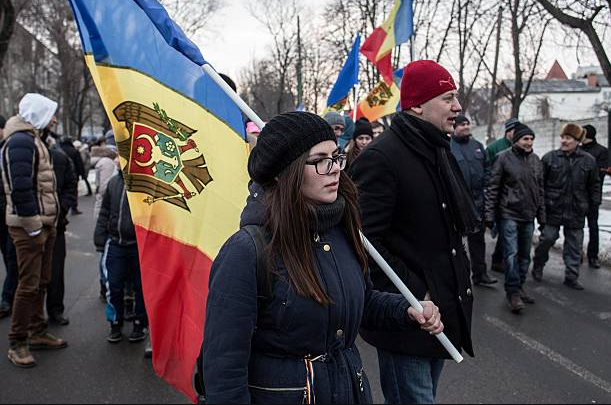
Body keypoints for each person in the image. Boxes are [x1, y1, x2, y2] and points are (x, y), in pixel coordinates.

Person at [202, 111, 444, 404]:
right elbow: (224, 373)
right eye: (319, 160)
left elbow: (362, 302)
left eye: (336, 156)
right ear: (284, 172)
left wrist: (406, 309)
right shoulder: (247, 251)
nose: (335, 169)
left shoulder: (343, 230)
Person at [350, 60, 476, 404]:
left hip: (441, 309)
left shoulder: (437, 149)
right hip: (409, 316)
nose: (457, 106)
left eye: (456, 97)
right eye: (448, 98)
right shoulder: (382, 157)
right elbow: (362, 242)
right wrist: (413, 295)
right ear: (418, 105)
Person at [1, 93, 68, 368]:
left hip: (43, 224)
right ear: (37, 113)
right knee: (27, 286)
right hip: (30, 227)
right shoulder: (20, 142)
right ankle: (17, 342)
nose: (53, 119)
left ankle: (37, 332)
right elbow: (20, 189)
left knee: (41, 282)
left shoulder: (32, 139)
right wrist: (33, 227)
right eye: (50, 113)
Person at [485, 123, 545, 313]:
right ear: (516, 140)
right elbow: (493, 188)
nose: (529, 142)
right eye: (525, 139)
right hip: (508, 214)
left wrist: (542, 215)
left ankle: (519, 286)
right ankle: (512, 293)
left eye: (531, 139)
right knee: (510, 255)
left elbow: (540, 190)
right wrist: (489, 215)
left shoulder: (536, 160)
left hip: (528, 215)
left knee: (524, 256)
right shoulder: (502, 158)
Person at [533, 124, 601, 290]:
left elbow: (594, 185)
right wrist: (540, 206)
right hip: (553, 208)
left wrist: (593, 204)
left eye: (569, 138)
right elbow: (540, 184)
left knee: (574, 246)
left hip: (577, 209)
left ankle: (572, 276)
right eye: (563, 137)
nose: (564, 141)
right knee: (547, 239)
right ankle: (538, 265)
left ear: (577, 141)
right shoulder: (550, 158)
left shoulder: (588, 161)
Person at [94, 163, 148, 344]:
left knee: (141, 288)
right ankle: (115, 322)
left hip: (139, 246)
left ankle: (140, 324)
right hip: (116, 243)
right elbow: (105, 212)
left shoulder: (145, 183)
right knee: (114, 285)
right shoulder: (113, 182)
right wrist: (100, 238)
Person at [450, 115, 497, 287]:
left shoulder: (477, 146)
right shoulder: (448, 147)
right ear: (454, 127)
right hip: (457, 202)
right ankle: (457, 278)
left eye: (467, 123)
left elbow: (487, 169)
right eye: (462, 124)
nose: (466, 127)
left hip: (477, 202)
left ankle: (480, 274)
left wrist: (486, 189)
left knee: (478, 240)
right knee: (455, 242)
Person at [46, 137, 78, 326]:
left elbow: (70, 185)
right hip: (30, 226)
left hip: (56, 225)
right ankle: (33, 319)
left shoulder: (59, 158)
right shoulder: (23, 154)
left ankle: (55, 309)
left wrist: (62, 208)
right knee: (30, 277)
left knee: (56, 271)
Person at [486, 118, 520, 273]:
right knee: (501, 229)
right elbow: (486, 169)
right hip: (498, 195)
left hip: (514, 196)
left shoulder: (520, 147)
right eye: (514, 130)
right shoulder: (495, 148)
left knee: (506, 232)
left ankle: (501, 259)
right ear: (508, 131)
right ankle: (499, 259)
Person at [579, 124, 608, 269]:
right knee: (576, 226)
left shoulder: (602, 151)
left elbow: (600, 173)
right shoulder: (577, 149)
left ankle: (593, 256)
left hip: (592, 195)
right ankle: (577, 253)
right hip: (577, 194)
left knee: (593, 226)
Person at [0, 114, 19, 319]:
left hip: (10, 212)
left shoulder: (10, 146)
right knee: (9, 257)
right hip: (7, 211)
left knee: (12, 257)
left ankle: (8, 297)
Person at [59, 136, 85, 215]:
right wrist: (82, 174)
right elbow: (79, 163)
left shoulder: (59, 150)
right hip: (74, 174)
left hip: (61, 174)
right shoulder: (74, 151)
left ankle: (62, 207)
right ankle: (74, 207)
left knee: (62, 190)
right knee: (73, 191)